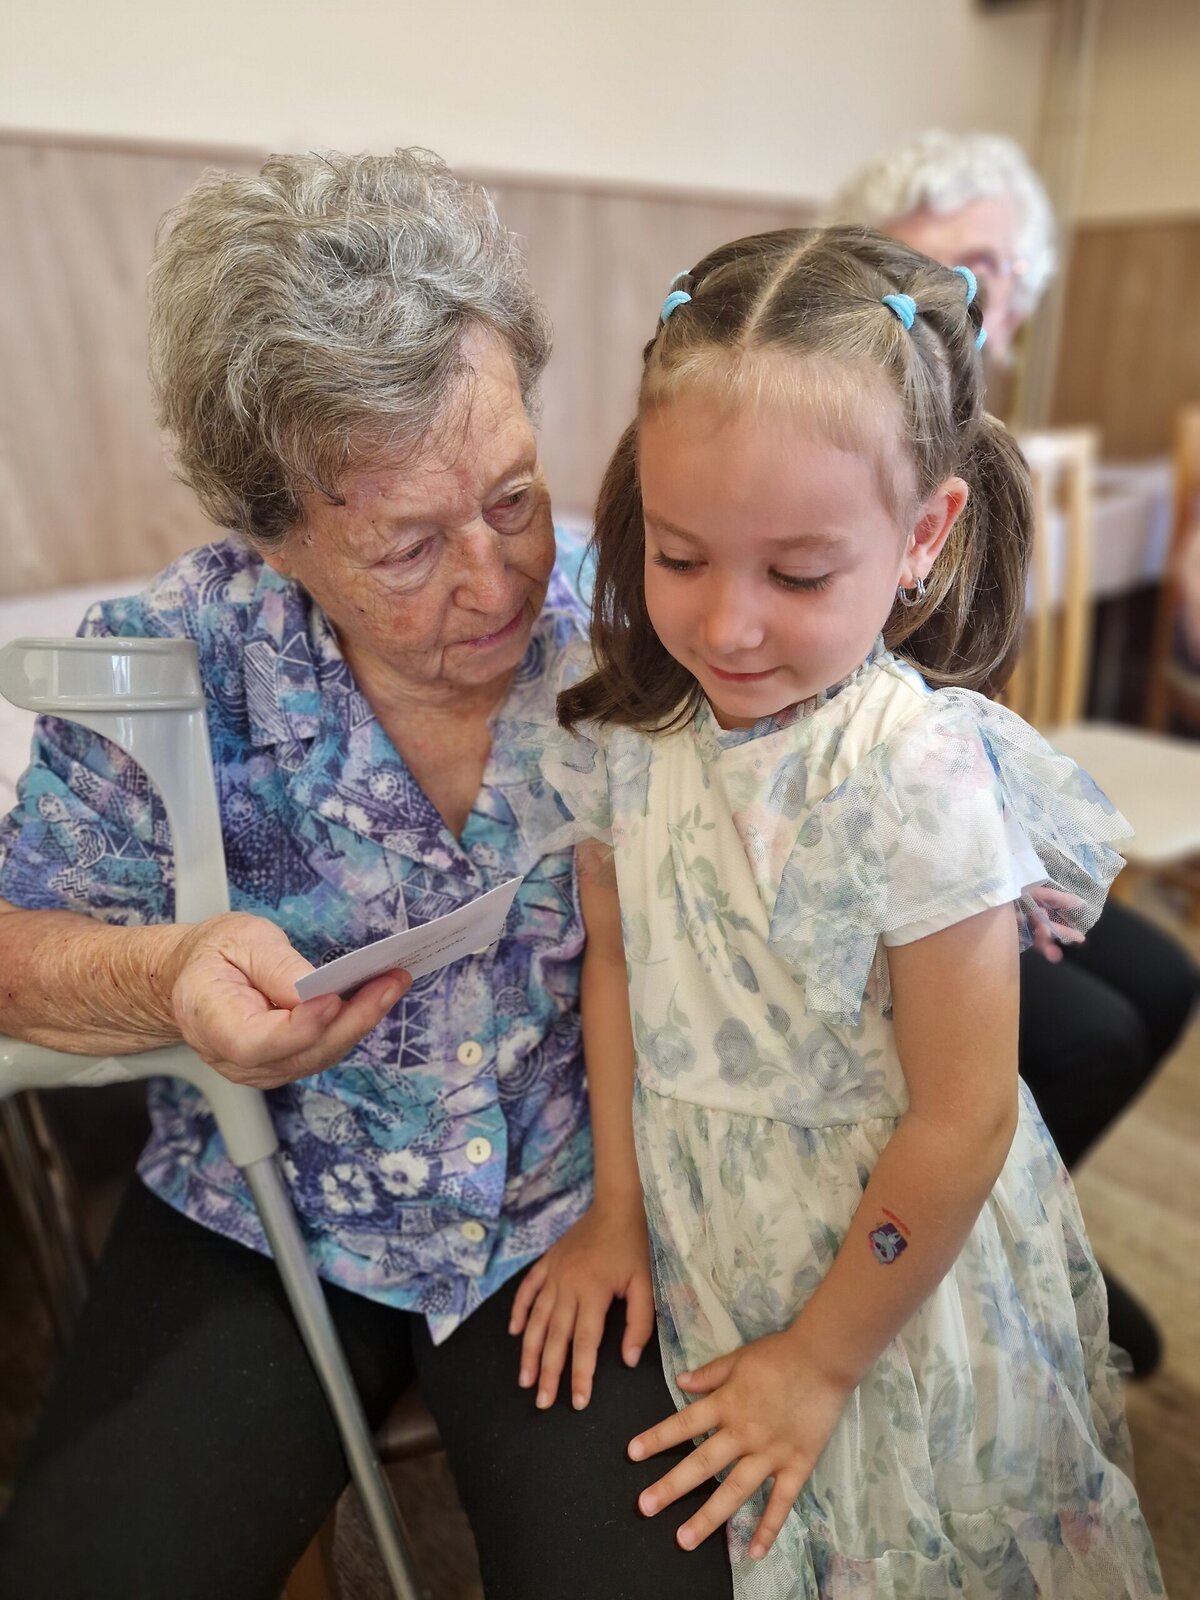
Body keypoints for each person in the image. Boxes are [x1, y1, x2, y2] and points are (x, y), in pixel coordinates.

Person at [0, 149, 735, 1600]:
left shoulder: (632, 627)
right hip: (263, 1204)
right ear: (275, 538)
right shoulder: (175, 663)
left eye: (512, 498)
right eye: (405, 547)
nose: (496, 580)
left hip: (564, 1206)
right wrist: (165, 974)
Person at [526, 230, 1164, 1595]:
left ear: (922, 534)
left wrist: (820, 1361)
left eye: (799, 576)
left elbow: (964, 1116)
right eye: (682, 556)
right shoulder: (626, 739)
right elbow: (616, 966)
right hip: (707, 1233)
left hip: (886, 1286)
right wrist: (618, 1208)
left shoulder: (916, 775)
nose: (729, 627)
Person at [827, 129, 1200, 1374]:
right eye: (933, 267)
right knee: (1089, 1033)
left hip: (943, 801)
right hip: (854, 838)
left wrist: (1010, 840)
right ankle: (962, 1250)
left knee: (1161, 980)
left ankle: (1022, 1225)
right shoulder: (844, 435)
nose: (963, 299)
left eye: (991, 271)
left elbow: (961, 703)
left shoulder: (980, 453)